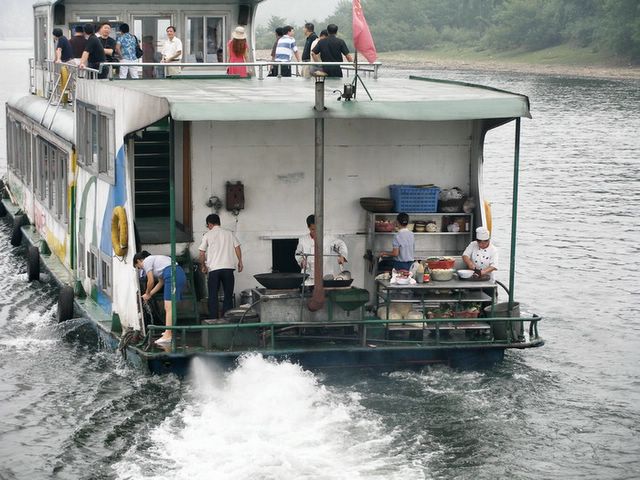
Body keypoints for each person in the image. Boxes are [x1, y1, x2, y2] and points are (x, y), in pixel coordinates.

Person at [133, 251, 187, 344]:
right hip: (178, 274)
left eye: (138, 267)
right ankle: (169, 331)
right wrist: (149, 294)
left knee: (168, 307)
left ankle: (168, 335)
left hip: (171, 275)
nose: (141, 269)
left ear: (138, 261)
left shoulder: (147, 261)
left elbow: (150, 281)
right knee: (170, 307)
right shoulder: (158, 261)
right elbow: (160, 282)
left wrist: (147, 292)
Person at [199, 214, 243, 319]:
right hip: (228, 269)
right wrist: (240, 262)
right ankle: (227, 318)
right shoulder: (229, 233)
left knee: (213, 295)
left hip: (214, 270)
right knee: (228, 295)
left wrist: (203, 265)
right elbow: (237, 247)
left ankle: (214, 319)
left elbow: (201, 253)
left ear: (209, 224)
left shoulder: (207, 235)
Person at [295, 214, 348, 286]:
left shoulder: (329, 238)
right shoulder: (303, 240)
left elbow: (341, 244)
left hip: (326, 278)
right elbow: (298, 254)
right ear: (308, 227)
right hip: (309, 278)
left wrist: (342, 256)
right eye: (313, 229)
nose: (316, 232)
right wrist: (302, 261)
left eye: (317, 229)